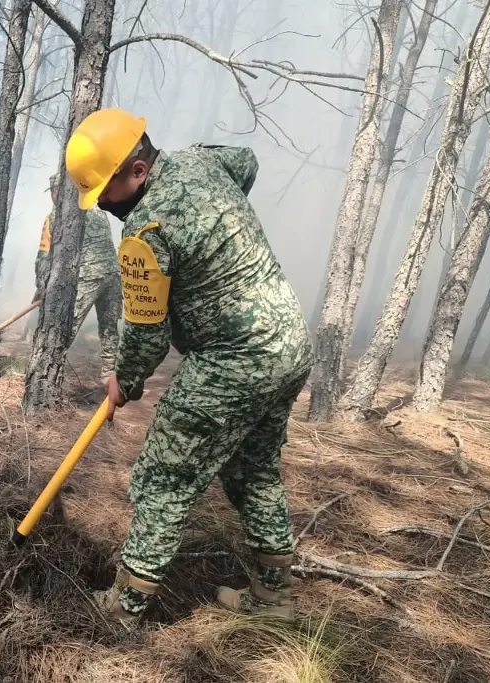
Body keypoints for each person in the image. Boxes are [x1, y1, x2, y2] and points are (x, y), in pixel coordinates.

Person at [61, 108, 314, 623]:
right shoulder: (200, 162)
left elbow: (147, 333)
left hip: (234, 359)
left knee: (162, 478)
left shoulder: (144, 231)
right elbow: (244, 161)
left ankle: (123, 610)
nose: (105, 204)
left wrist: (122, 382)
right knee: (254, 471)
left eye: (105, 190)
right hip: (288, 345)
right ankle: (274, 599)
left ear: (137, 169)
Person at [33, 173, 122, 379]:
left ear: (63, 191)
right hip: (113, 274)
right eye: (53, 192)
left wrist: (41, 285)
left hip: (88, 277)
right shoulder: (97, 207)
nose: (54, 196)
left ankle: (47, 375)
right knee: (109, 328)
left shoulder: (55, 217)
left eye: (56, 191)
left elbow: (44, 255)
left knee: (66, 325)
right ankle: (110, 375)